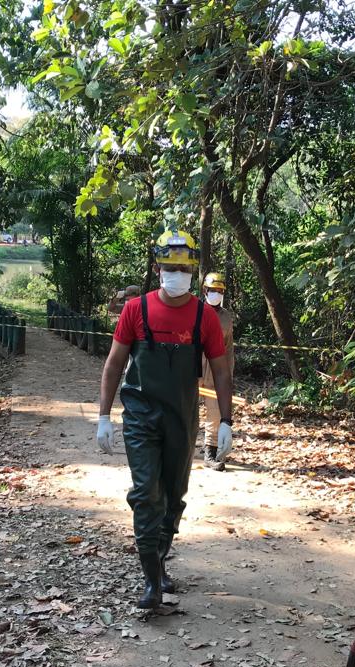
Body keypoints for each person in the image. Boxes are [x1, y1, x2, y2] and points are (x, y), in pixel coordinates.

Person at [97, 229, 235, 609]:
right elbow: (114, 363)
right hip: (141, 415)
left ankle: (158, 561)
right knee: (146, 495)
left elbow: (221, 371)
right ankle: (151, 582)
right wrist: (104, 415)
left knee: (173, 496)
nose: (177, 273)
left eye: (184, 267)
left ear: (192, 270)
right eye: (170, 266)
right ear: (157, 267)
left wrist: (226, 420)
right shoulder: (135, 310)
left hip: (182, 417)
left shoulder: (205, 317)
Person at [200, 272, 236, 471]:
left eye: (220, 291)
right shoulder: (195, 312)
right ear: (205, 290)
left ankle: (210, 452)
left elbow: (228, 349)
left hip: (216, 371)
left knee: (214, 412)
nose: (216, 294)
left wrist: (228, 375)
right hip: (193, 370)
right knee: (183, 408)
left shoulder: (226, 318)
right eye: (213, 290)